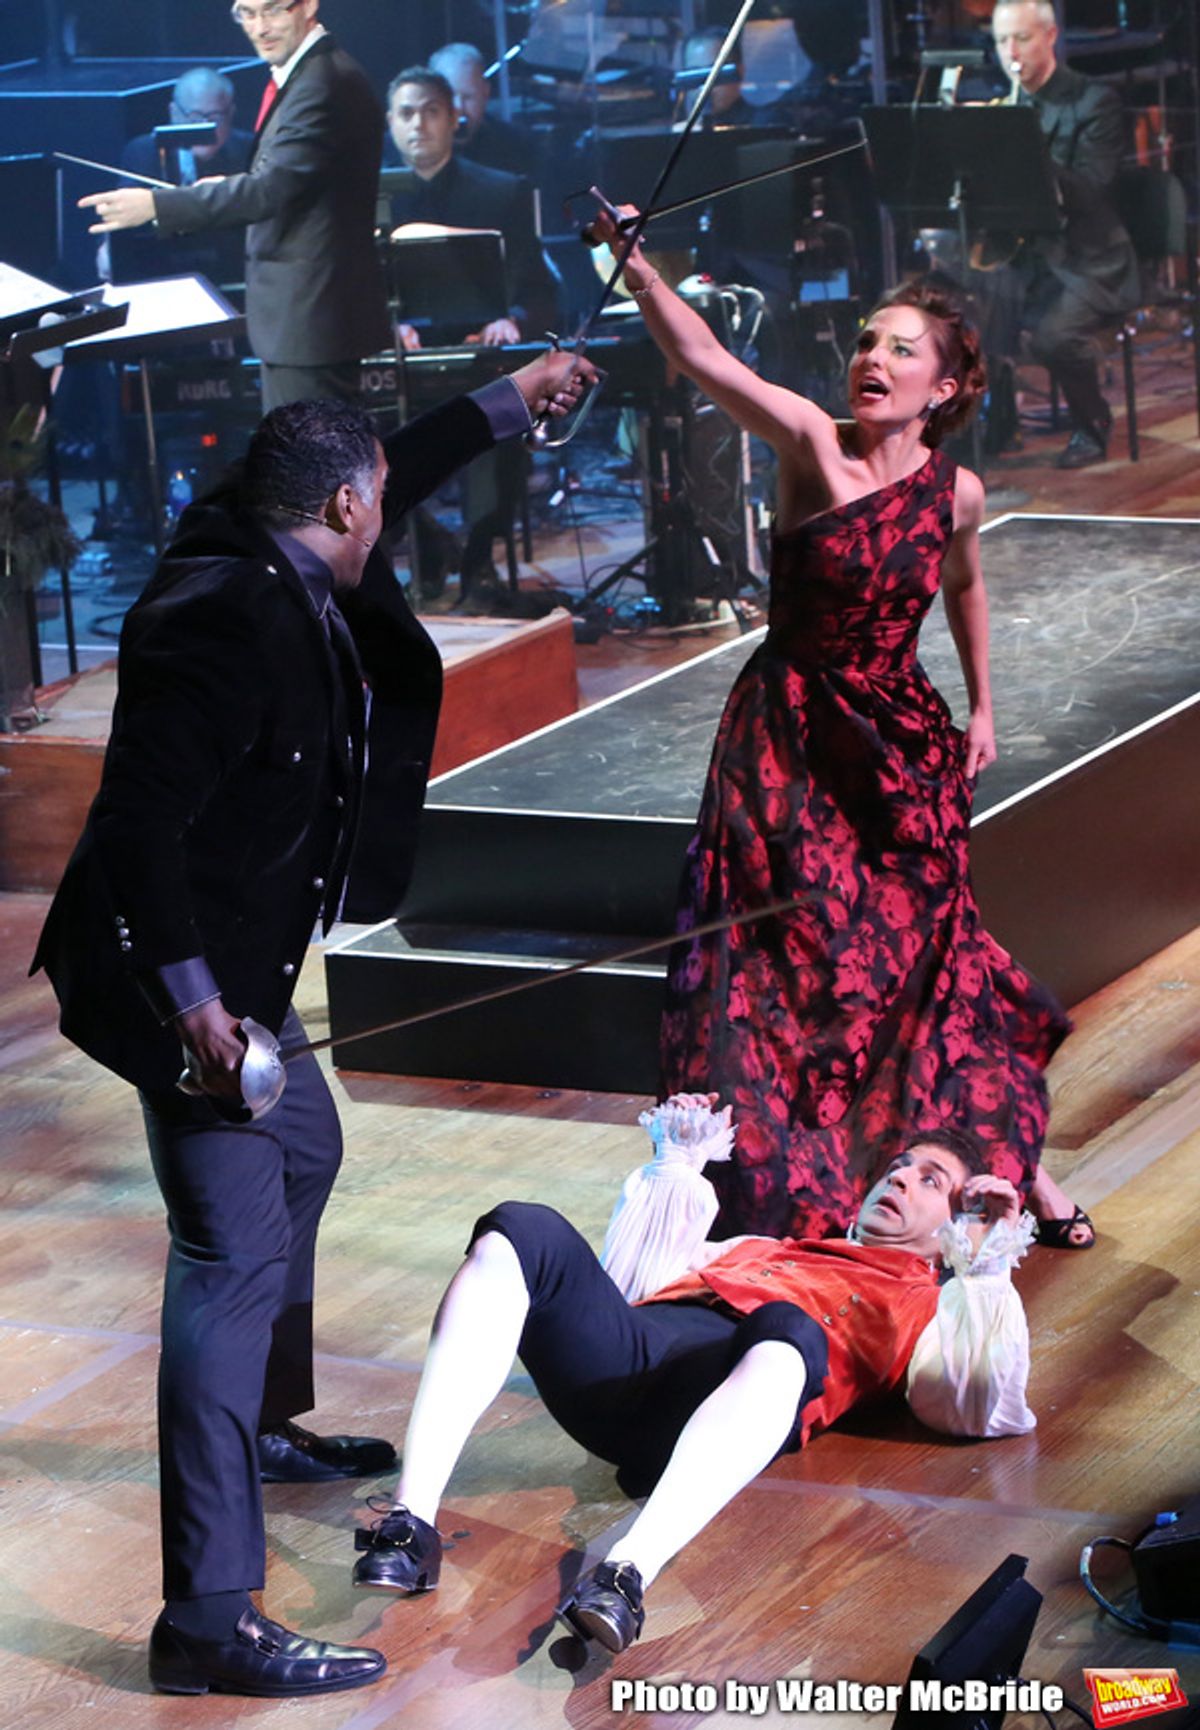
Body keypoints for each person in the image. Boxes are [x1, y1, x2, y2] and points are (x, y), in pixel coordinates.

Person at [30, 348, 592, 1698]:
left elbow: (370, 450)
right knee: (226, 1252)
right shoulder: (223, 613)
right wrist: (203, 1017)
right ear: (342, 510)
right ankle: (207, 1617)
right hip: (177, 981)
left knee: (304, 1153)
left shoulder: (276, 518)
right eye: (377, 501)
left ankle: (266, 1426)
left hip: (241, 957)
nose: (384, 517)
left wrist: (502, 404)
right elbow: (136, 829)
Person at [590, 204, 1093, 1253]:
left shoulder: (956, 491)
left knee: (933, 954)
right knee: (799, 964)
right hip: (791, 742)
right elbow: (703, 357)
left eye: (901, 349)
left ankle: (1013, 1160)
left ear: (943, 387)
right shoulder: (813, 444)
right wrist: (637, 267)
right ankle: (813, 1176)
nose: (873, 356)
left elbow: (965, 587)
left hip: (899, 746)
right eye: (868, 339)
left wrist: (986, 705)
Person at [350, 1108, 1037, 1652]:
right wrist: (675, 1163)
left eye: (931, 1182)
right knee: (521, 1227)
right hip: (623, 1365)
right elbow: (635, 1282)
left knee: (790, 1327)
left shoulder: (930, 1305)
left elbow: (977, 1404)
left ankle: (625, 1576)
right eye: (897, 1167)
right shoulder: (763, 1245)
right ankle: (410, 1525)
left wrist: (986, 1257)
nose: (900, 1181)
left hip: (712, 1407)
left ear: (957, 1221)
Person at [79, 0, 390, 412]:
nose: (260, 27)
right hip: (303, 321)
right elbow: (292, 179)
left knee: (312, 467)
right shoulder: (310, 76)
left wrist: (157, 205)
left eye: (273, 10)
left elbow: (270, 190)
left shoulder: (323, 82)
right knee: (302, 463)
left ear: (309, 5)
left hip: (312, 321)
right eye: (247, 13)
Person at [386, 65, 561, 598]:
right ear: (390, 123)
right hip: (400, 364)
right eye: (407, 113)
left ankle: (481, 557)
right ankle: (429, 546)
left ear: (455, 119)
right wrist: (389, 327)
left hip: (481, 358)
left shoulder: (501, 192)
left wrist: (512, 320)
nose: (419, 125)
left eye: (432, 111)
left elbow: (540, 291)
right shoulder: (367, 200)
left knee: (493, 421)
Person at [986, 0, 1139, 469]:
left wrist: (1022, 147)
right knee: (964, 313)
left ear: (1050, 37)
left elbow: (1092, 190)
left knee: (1054, 337)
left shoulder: (1095, 101)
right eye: (1001, 41)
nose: (1010, 51)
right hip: (1029, 255)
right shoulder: (1007, 105)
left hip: (1090, 260)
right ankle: (996, 425)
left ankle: (1093, 425)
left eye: (1022, 38)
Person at [108, 68, 253, 288]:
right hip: (163, 275)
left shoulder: (249, 149)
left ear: (231, 113)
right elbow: (122, 217)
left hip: (234, 273)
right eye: (195, 117)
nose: (205, 127)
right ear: (174, 113)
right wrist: (106, 246)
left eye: (215, 117)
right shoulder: (144, 151)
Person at [428, 40, 541, 180]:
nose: (459, 109)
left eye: (468, 97)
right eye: (449, 97)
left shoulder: (519, 147)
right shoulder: (412, 146)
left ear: (485, 93)